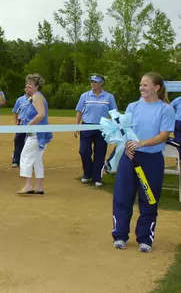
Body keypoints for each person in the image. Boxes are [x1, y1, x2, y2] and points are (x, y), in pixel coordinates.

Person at [112, 72, 175, 253]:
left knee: (148, 198)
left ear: (156, 88)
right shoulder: (133, 106)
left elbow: (164, 135)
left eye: (146, 85)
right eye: (141, 85)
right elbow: (126, 130)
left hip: (151, 160)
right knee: (123, 197)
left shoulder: (166, 109)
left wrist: (141, 144)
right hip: (130, 158)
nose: (142, 88)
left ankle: (145, 238)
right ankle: (120, 235)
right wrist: (128, 147)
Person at [74, 74, 117, 187]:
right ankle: (87, 173)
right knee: (83, 151)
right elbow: (79, 112)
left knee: (100, 153)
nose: (93, 84)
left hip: (102, 128)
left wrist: (114, 128)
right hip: (86, 127)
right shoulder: (85, 96)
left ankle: (97, 177)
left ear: (101, 83)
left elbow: (113, 113)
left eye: (95, 82)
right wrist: (76, 126)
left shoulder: (109, 97)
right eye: (92, 81)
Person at [17, 73, 52, 195]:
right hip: (40, 132)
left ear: (36, 86)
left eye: (30, 84)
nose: (27, 86)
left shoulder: (37, 97)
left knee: (25, 156)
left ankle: (28, 186)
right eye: (27, 83)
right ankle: (39, 187)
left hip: (37, 133)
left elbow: (41, 114)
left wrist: (29, 125)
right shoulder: (36, 97)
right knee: (37, 159)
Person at [11, 92, 30, 168]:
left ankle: (28, 161)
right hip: (21, 123)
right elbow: (15, 111)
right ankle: (16, 160)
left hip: (32, 123)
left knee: (29, 142)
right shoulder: (20, 100)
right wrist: (16, 122)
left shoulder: (36, 99)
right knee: (18, 140)